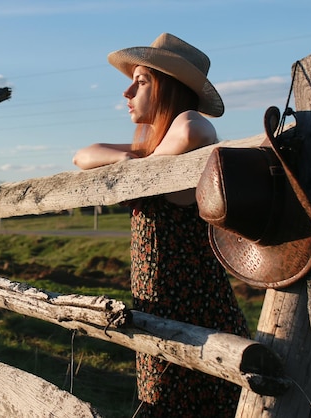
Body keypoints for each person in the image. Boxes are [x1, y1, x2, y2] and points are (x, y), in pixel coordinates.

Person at [73, 33, 250, 417]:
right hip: (160, 309)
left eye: (141, 81)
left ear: (169, 87)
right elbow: (83, 155)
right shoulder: (154, 148)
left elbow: (194, 129)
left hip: (194, 310)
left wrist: (143, 164)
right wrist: (140, 159)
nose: (127, 92)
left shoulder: (188, 127)